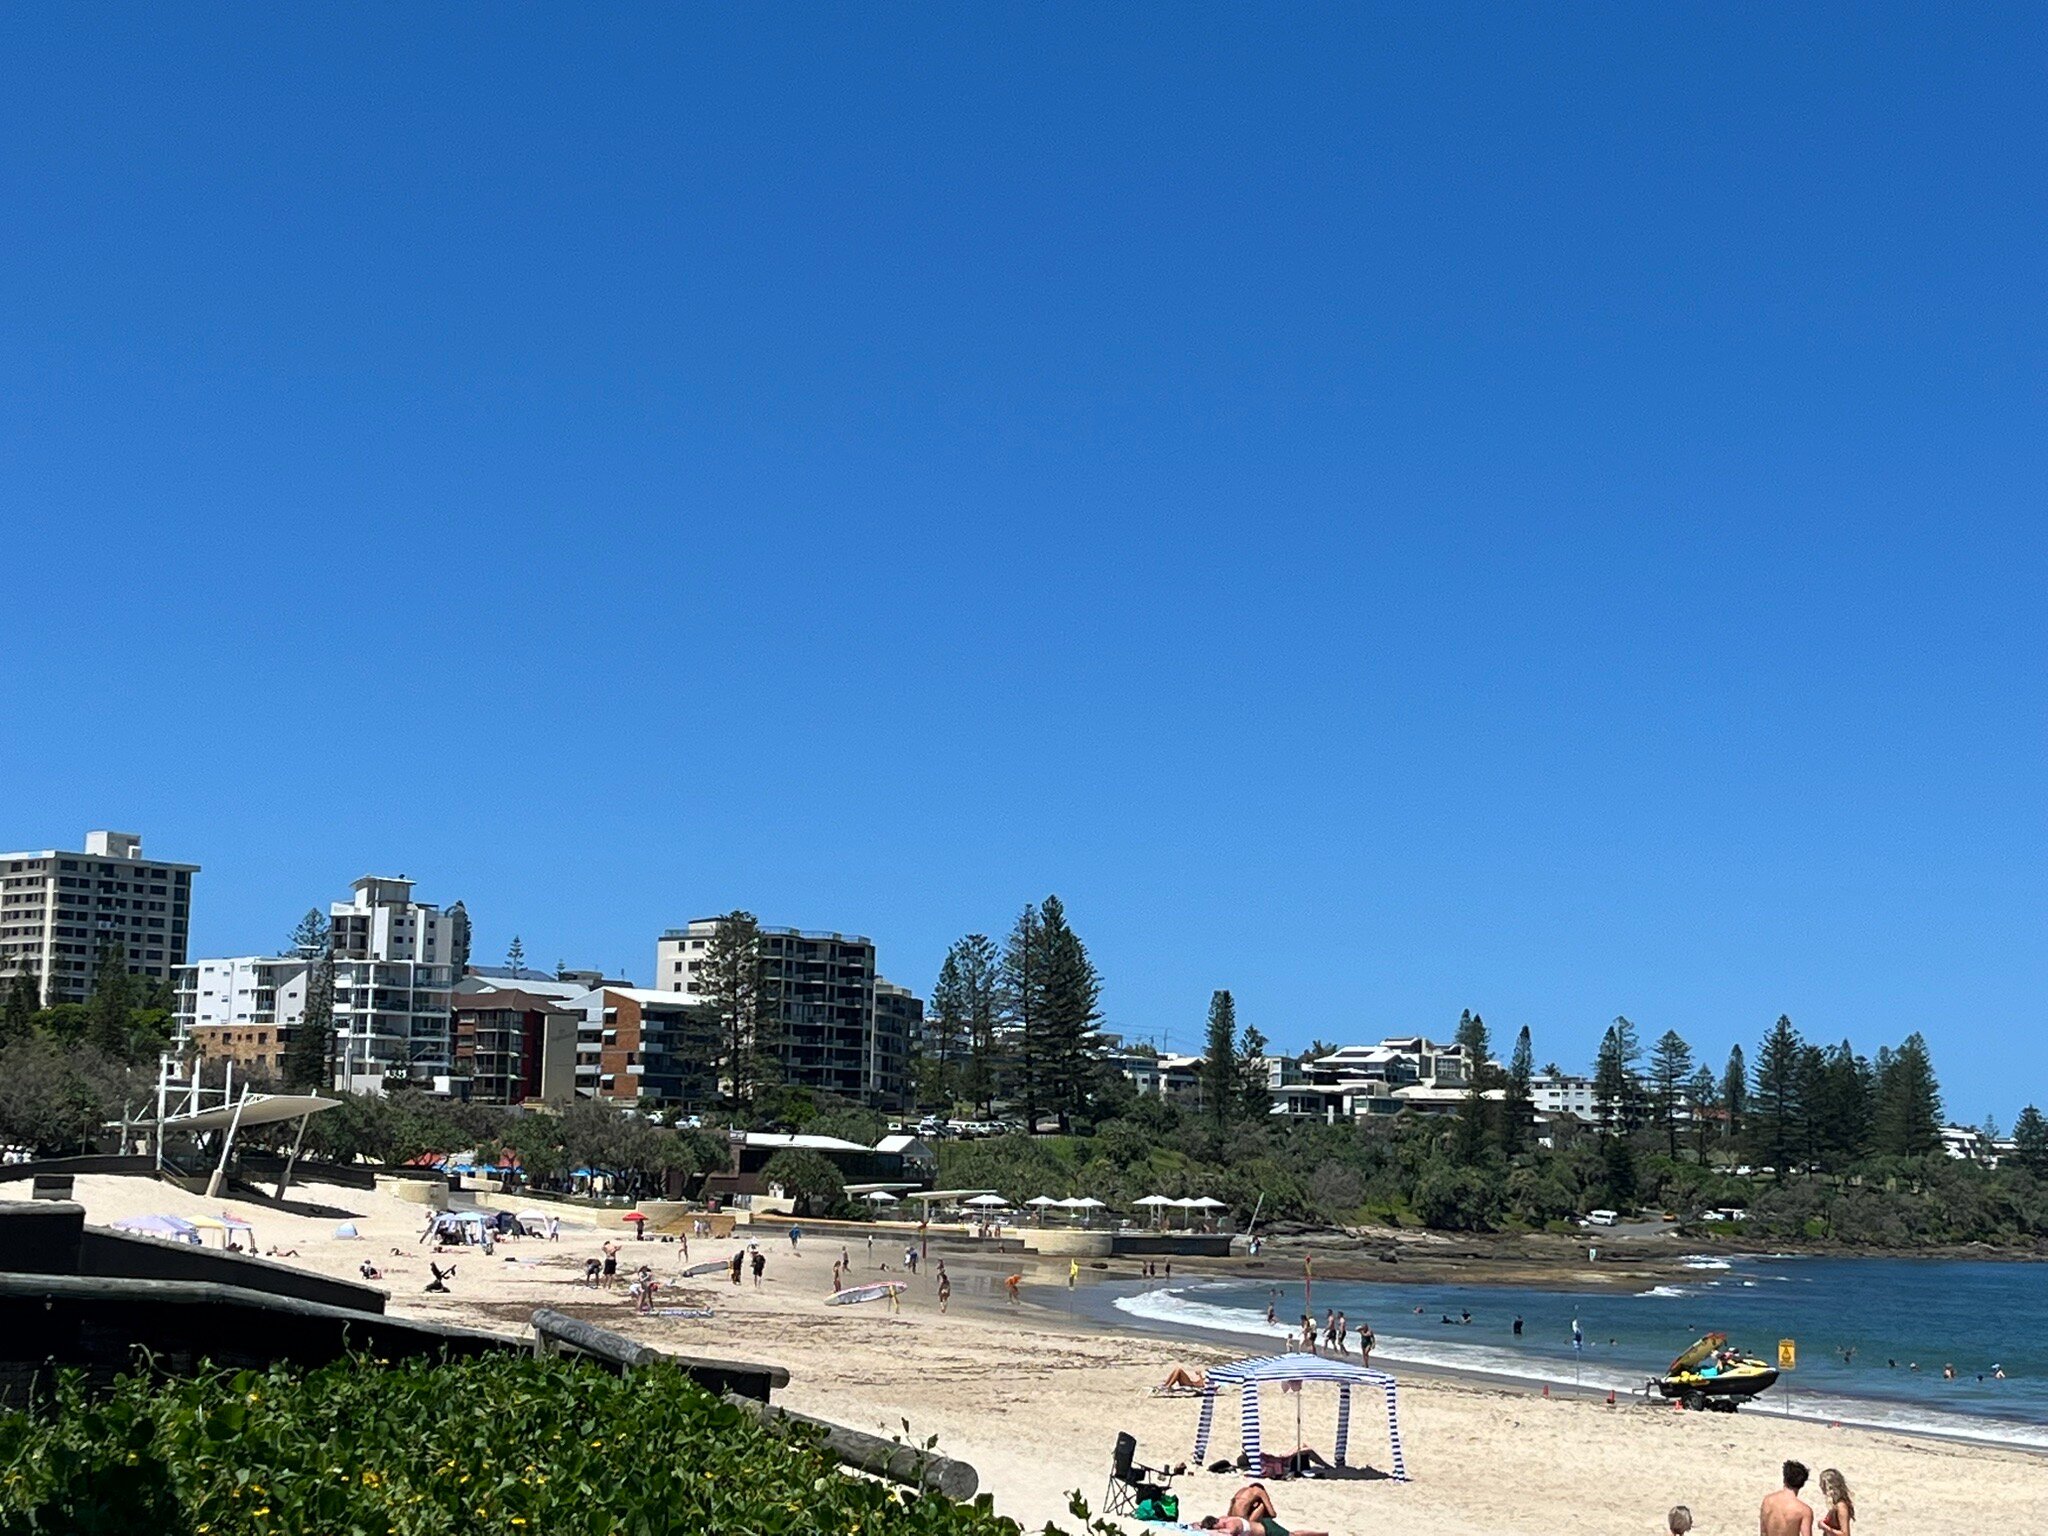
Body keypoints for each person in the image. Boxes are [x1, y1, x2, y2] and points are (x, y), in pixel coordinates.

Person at [1761, 1460, 1814, 1536]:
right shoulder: (1804, 1511)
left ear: (1784, 1479)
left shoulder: (1767, 1501)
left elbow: (1763, 1532)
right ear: (1802, 1484)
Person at [1816, 1469, 1854, 1536]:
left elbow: (1845, 1534)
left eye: (1823, 1483)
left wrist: (1825, 1527)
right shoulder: (1836, 1505)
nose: (1820, 1486)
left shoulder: (1841, 1506)